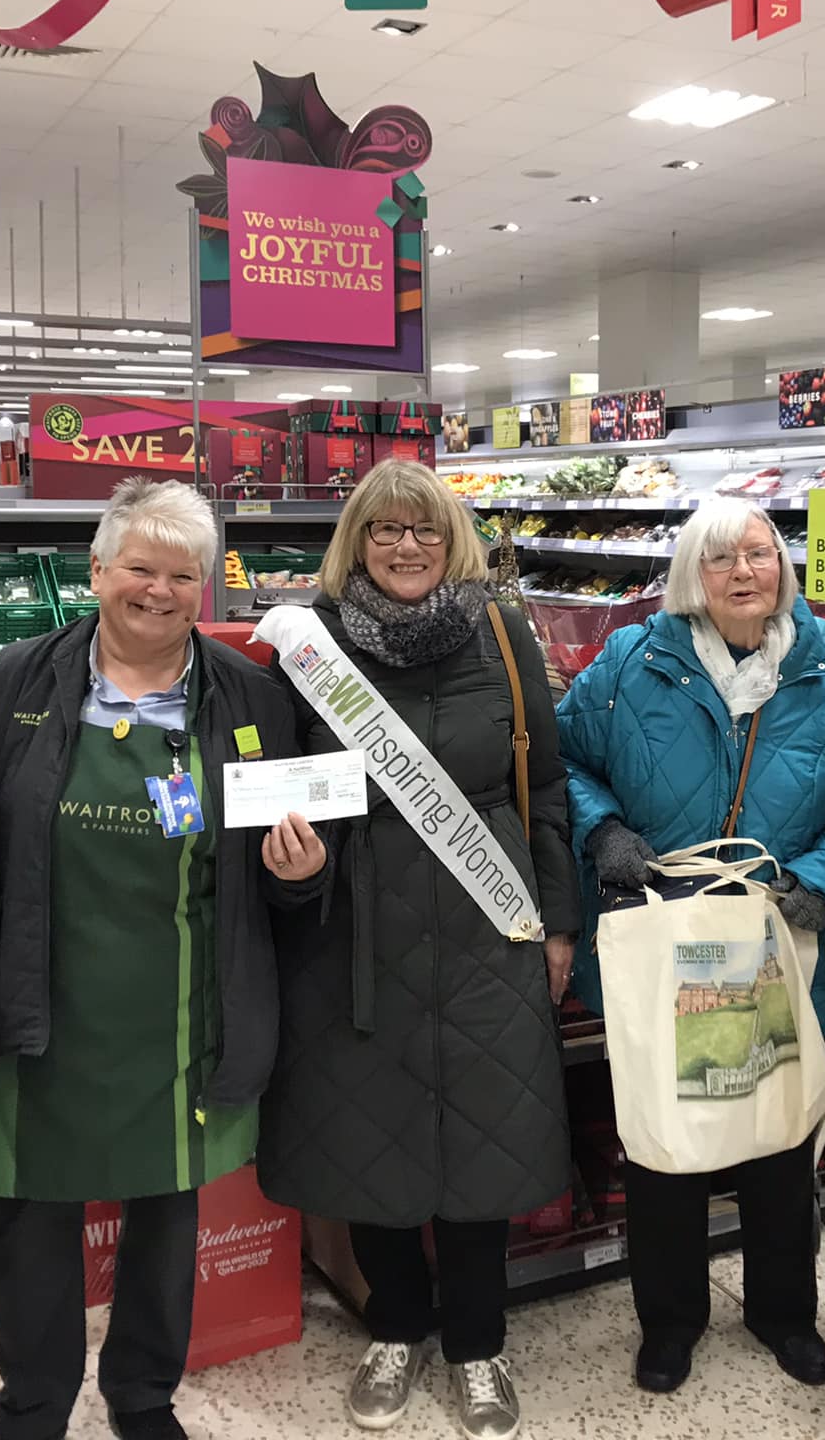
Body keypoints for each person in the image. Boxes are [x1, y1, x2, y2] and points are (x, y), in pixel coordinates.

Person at [0, 477, 328, 1440]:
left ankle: (141, 1394)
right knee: (26, 1216)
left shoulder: (250, 697)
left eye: (183, 574)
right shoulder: (17, 682)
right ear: (96, 572)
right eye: (140, 568)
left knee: (166, 1209)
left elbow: (282, 877)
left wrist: (300, 873)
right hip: (39, 995)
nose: (160, 591)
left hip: (182, 1000)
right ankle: (33, 1405)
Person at [256, 461, 576, 1440]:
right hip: (355, 936)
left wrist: (558, 924)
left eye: (424, 532)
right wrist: (293, 870)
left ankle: (478, 1348)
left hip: (489, 926)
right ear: (356, 542)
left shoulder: (502, 636)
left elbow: (547, 792)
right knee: (372, 1141)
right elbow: (279, 801)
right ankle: (395, 1326)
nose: (405, 548)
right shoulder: (306, 647)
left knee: (483, 1145)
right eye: (385, 531)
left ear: (452, 542)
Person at [556, 496, 825, 1396]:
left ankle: (783, 1312)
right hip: (666, 936)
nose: (744, 572)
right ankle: (670, 1321)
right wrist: (603, 830)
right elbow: (568, 761)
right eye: (723, 557)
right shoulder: (629, 662)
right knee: (666, 1141)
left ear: (784, 568)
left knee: (778, 1136)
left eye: (761, 555)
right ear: (692, 571)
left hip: (776, 936)